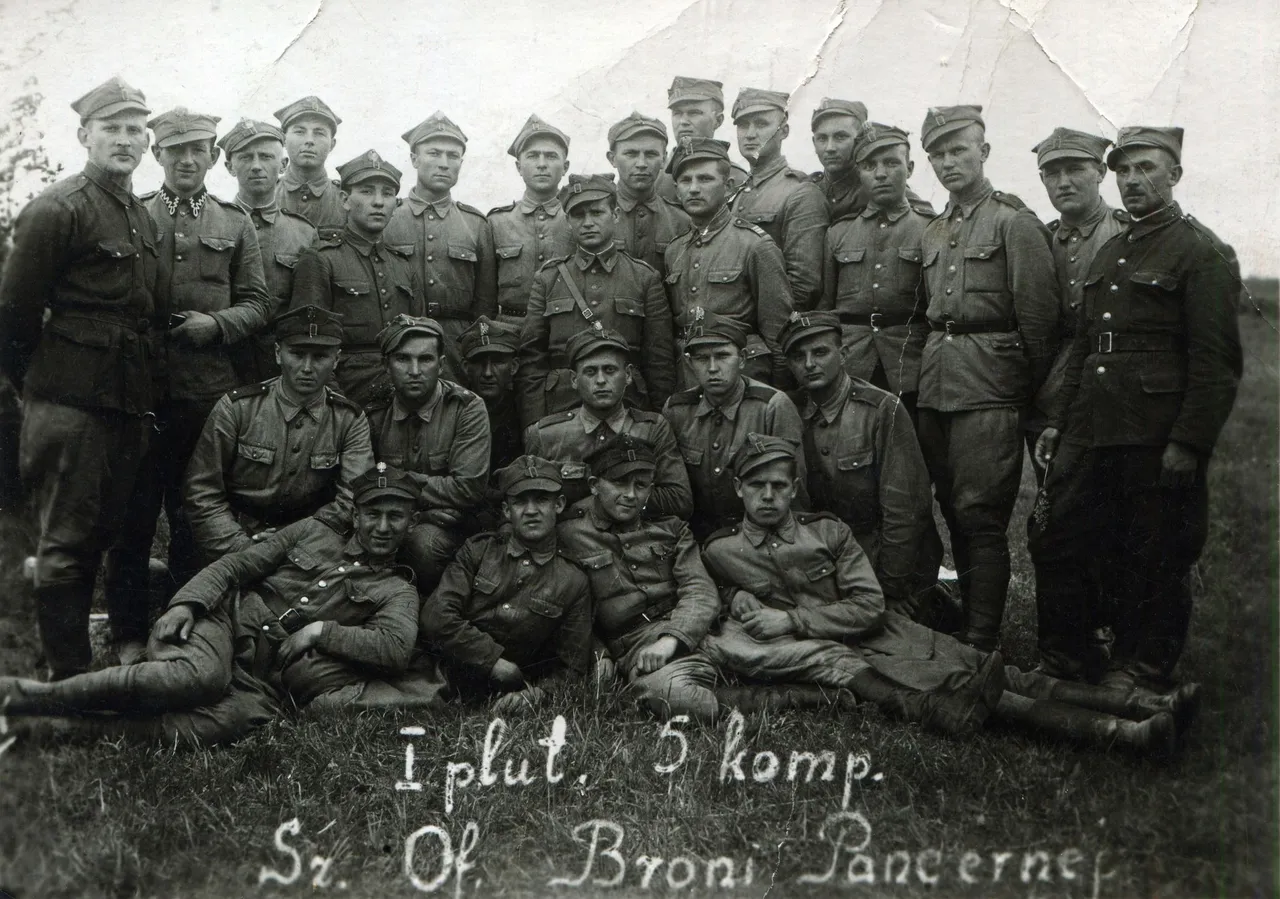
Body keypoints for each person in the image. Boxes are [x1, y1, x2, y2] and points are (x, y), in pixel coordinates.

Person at [701, 436, 1194, 756]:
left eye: (779, 486)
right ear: (739, 491)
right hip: (844, 661)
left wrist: (791, 623)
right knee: (978, 690)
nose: (768, 497)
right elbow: (710, 591)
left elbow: (868, 606)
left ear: (794, 491)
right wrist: (734, 596)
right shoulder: (721, 551)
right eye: (757, 486)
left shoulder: (828, 532)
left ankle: (1144, 703)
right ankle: (1123, 734)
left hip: (883, 634)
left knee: (1005, 674)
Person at [1, 465, 425, 746]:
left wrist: (321, 631)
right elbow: (236, 565)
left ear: (411, 523)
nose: (383, 527)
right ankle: (31, 694)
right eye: (374, 513)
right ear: (356, 513)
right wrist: (187, 604)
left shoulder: (397, 590)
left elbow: (394, 648)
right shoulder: (313, 532)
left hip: (264, 681)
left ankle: (63, 729)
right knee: (196, 678)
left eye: (396, 517)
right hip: (224, 622)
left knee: (226, 723)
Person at [1032, 126, 1242, 691]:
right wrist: (1059, 419)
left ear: (1174, 174)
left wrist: (1189, 442)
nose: (1132, 180)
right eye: (1123, 170)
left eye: (1146, 168)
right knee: (1061, 536)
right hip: (1091, 424)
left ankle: (1141, 666)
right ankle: (1066, 656)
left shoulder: (1202, 252)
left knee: (1153, 549)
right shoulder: (1112, 249)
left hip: (1153, 430)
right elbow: (1086, 346)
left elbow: (1216, 361)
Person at [0, 77, 162, 678]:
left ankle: (78, 665)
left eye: (133, 129)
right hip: (69, 401)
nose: (125, 140)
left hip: (124, 401)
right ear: (84, 135)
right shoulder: (57, 209)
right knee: (65, 542)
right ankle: (65, 678)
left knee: (104, 534)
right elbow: (13, 315)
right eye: (111, 128)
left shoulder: (137, 214)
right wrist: (40, 388)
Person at [110, 106, 274, 651]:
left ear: (212, 157)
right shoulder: (133, 214)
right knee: (134, 515)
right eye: (175, 149)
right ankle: (130, 632)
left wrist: (217, 325)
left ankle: (185, 627)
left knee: (194, 513)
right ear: (156, 154)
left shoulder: (234, 221)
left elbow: (258, 304)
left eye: (196, 149)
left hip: (207, 398)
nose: (186, 159)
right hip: (141, 394)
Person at [916, 105, 1060, 651]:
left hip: (991, 387)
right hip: (937, 382)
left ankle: (981, 636)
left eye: (959, 150)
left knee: (980, 514)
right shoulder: (933, 230)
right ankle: (965, 617)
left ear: (984, 152)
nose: (949, 162)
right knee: (949, 506)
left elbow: (1041, 324)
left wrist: (1020, 393)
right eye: (938, 154)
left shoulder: (1013, 222)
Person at [779, 311, 949, 626]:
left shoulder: (881, 409)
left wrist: (890, 589)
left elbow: (906, 511)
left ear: (843, 354)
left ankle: (934, 602)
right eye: (798, 356)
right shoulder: (786, 411)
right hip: (828, 562)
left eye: (820, 352)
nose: (810, 364)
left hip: (891, 563)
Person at [183, 305, 373, 561]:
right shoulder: (238, 409)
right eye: (297, 354)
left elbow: (352, 499)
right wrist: (242, 548)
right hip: (235, 541)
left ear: (336, 360)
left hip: (310, 545)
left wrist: (293, 541)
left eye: (320, 357)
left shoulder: (349, 420)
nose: (307, 367)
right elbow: (202, 492)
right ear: (277, 353)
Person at [557, 435, 722, 721]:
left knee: (796, 658)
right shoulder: (569, 535)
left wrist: (672, 638)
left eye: (641, 485)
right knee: (678, 699)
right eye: (620, 483)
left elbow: (700, 589)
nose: (631, 495)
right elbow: (570, 608)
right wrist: (599, 652)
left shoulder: (671, 528)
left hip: (698, 628)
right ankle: (752, 699)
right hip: (638, 647)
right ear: (595, 485)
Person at [419, 456, 591, 714]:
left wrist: (535, 695)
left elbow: (573, 666)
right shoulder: (479, 551)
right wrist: (493, 661)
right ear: (506, 510)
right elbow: (436, 616)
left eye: (542, 500)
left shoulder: (573, 579)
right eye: (520, 501)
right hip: (446, 674)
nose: (531, 510)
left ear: (559, 505)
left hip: (515, 687)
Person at [516, 173, 675, 426]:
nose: (588, 222)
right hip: (560, 409)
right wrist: (534, 424)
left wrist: (656, 422)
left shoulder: (644, 278)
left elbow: (659, 361)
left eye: (597, 213)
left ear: (615, 215)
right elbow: (532, 360)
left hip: (628, 408)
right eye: (579, 215)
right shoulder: (547, 279)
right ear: (568, 221)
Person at [1025, 127, 1129, 484]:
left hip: (1115, 386)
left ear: (1100, 173)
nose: (1063, 182)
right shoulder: (1039, 239)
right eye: (1052, 173)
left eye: (1075, 169)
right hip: (1049, 389)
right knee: (1052, 498)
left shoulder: (1127, 233)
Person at [818, 122, 935, 423]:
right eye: (869, 165)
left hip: (910, 366)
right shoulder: (839, 233)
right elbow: (826, 308)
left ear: (909, 168)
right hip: (852, 365)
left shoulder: (930, 230)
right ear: (858, 172)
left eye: (891, 163)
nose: (880, 174)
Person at [290, 150, 425, 407]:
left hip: (402, 392)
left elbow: (418, 340)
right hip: (343, 391)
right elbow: (307, 342)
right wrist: (336, 403)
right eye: (366, 191)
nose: (378, 202)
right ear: (345, 199)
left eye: (387, 193)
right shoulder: (321, 259)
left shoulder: (403, 265)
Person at [365, 315, 490, 593]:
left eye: (425, 360)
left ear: (442, 365)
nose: (414, 370)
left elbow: (469, 488)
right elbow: (363, 483)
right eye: (402, 359)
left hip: (453, 525)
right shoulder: (373, 411)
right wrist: (417, 514)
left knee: (425, 545)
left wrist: (395, 482)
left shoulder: (466, 408)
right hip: (396, 519)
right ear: (386, 366)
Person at [661, 309, 806, 540]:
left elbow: (794, 497)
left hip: (758, 539)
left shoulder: (771, 406)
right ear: (689, 364)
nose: (712, 368)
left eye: (722, 356)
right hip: (694, 537)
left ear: (743, 359)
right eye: (701, 359)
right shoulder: (677, 409)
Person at [663, 137, 794, 386]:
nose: (693, 188)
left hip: (744, 376)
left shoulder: (754, 245)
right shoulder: (674, 249)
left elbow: (778, 331)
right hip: (688, 376)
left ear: (728, 186)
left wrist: (777, 391)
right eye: (685, 180)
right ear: (677, 188)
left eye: (705, 179)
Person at [523, 328, 691, 518]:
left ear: (628, 375)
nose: (601, 380)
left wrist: (612, 501)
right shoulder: (545, 435)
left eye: (610, 370)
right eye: (590, 372)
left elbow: (679, 499)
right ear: (574, 380)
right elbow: (533, 501)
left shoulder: (652, 428)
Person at [385, 112, 496, 382]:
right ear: (414, 159)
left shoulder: (476, 224)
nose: (444, 164)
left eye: (453, 156)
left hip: (456, 349)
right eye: (434, 153)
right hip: (398, 343)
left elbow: (485, 304)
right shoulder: (388, 218)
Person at [218, 118, 318, 382]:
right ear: (229, 166)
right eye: (245, 157)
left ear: (283, 165)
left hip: (281, 365)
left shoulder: (303, 233)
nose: (256, 166)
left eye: (266, 157)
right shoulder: (215, 223)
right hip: (224, 358)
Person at [729, 88, 829, 312]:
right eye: (743, 125)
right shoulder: (735, 193)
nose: (750, 134)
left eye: (761, 124)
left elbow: (803, 286)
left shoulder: (801, 193)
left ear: (783, 131)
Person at [485, 115, 574, 324]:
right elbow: (484, 296)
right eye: (533, 156)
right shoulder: (496, 222)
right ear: (518, 167)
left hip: (564, 330)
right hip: (509, 332)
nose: (542, 164)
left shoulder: (577, 218)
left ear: (566, 167)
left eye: (551, 156)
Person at [604, 111, 691, 277]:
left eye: (651, 154)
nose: (641, 164)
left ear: (664, 160)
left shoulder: (681, 221)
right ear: (612, 159)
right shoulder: (594, 216)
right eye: (631, 154)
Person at [655, 76, 748, 204]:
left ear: (718, 120)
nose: (683, 121)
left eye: (694, 113)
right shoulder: (655, 175)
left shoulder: (736, 177)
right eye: (677, 113)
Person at [458, 315, 523, 473]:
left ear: (513, 367)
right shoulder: (454, 410)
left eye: (497, 362)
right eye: (479, 363)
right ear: (466, 367)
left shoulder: (524, 411)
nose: (487, 373)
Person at [273, 96, 345, 237]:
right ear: (283, 139)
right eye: (300, 131)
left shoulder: (346, 200)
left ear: (332, 144)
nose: (309, 140)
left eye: (319, 133)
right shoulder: (266, 196)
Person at [809, 98, 869, 220]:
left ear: (861, 140)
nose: (830, 148)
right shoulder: (806, 188)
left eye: (840, 137)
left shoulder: (876, 189)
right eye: (822, 138)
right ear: (814, 143)